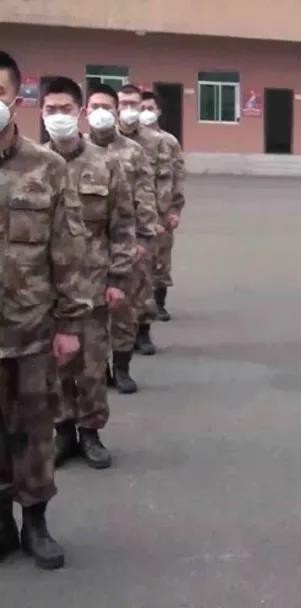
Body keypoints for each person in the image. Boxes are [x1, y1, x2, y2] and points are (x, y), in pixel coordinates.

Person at [0, 50, 91, 570]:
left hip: (32, 330)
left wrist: (71, 324)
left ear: (17, 98)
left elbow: (67, 248)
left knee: (35, 432)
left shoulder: (47, 167)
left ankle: (36, 523)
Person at [42, 78, 135, 471]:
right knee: (55, 368)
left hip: (93, 286)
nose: (58, 116)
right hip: (45, 290)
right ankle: (63, 432)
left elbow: (123, 224)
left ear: (79, 112)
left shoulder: (105, 163)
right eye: (51, 109)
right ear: (40, 113)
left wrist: (119, 278)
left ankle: (91, 432)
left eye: (65, 109)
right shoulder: (35, 164)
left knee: (93, 367)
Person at [87, 84, 158, 394]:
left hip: (125, 242)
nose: (100, 113)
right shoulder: (76, 150)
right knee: (90, 313)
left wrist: (143, 239)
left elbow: (145, 197)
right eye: (95, 107)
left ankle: (122, 368)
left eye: (106, 107)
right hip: (85, 247)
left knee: (124, 309)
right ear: (85, 112)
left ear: (116, 112)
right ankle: (100, 368)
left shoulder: (133, 151)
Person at [117, 84, 169, 356]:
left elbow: (162, 180)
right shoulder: (104, 140)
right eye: (123, 103)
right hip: (112, 221)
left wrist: (160, 217)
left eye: (133, 104)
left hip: (144, 221)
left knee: (143, 280)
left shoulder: (154, 141)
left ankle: (143, 332)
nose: (128, 109)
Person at [139, 91, 185, 322]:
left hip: (162, 211)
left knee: (161, 259)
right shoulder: (129, 141)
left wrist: (175, 210)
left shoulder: (169, 142)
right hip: (135, 212)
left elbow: (178, 177)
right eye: (141, 108)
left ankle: (159, 303)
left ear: (158, 111)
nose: (146, 112)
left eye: (150, 108)